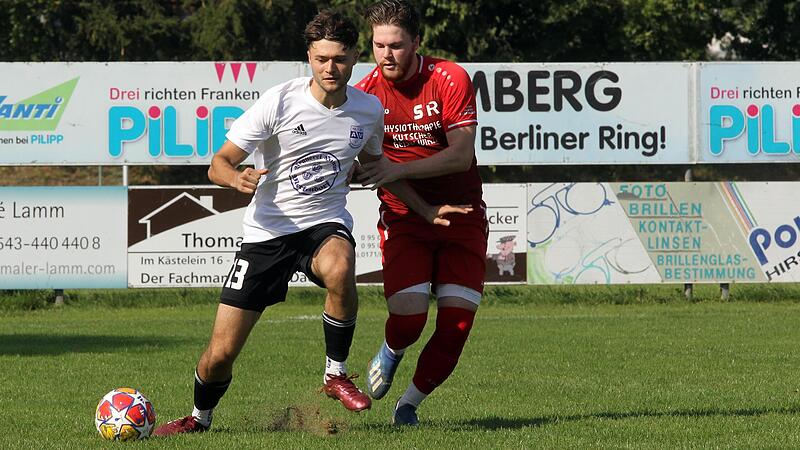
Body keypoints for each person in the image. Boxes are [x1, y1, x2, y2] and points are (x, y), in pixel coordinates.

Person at [154, 9, 469, 436]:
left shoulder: (368, 110)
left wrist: (426, 210)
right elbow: (218, 164)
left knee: (340, 264)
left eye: (339, 58)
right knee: (220, 355)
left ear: (355, 56)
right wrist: (236, 177)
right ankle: (199, 417)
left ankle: (334, 374)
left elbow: (378, 169)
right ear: (309, 57)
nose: (330, 68)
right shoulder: (279, 101)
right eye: (321, 58)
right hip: (267, 234)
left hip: (323, 225)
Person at [354, 0, 489, 427]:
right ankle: (392, 350)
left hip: (462, 215)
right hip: (405, 217)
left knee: (456, 327)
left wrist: (400, 167)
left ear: (417, 42)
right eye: (378, 45)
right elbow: (376, 171)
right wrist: (422, 206)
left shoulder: (449, 78)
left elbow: (461, 154)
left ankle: (408, 405)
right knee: (409, 317)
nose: (386, 55)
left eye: (396, 45)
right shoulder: (364, 96)